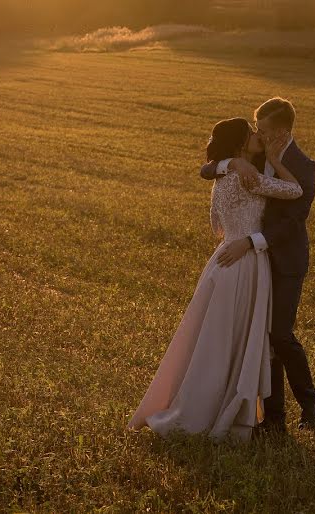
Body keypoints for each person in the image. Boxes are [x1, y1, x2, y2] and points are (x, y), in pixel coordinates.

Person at [126, 117, 303, 442]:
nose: (256, 135)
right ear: (239, 144)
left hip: (223, 260)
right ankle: (218, 407)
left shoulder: (225, 175)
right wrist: (275, 161)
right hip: (245, 262)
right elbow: (295, 190)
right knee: (230, 337)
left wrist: (232, 161)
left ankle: (207, 400)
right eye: (250, 133)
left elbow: (217, 224)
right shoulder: (246, 176)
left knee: (214, 337)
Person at [200, 97, 315, 432]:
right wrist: (230, 165)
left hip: (282, 260)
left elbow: (293, 221)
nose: (259, 134)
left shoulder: (303, 165)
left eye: (265, 130)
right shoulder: (249, 154)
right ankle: (273, 419)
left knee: (279, 334)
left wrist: (250, 243)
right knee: (257, 336)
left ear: (283, 130)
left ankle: (309, 401)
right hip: (250, 263)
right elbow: (207, 167)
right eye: (257, 128)